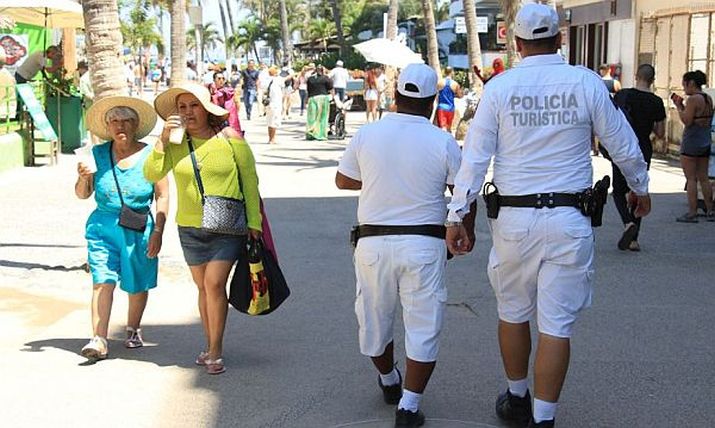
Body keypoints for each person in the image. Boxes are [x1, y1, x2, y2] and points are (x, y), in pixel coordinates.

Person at [445, 4, 651, 427]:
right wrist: (640, 188)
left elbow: (475, 157)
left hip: (514, 222)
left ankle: (517, 396)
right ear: (560, 39)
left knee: (513, 311)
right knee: (556, 323)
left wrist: (456, 214)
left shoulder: (500, 89)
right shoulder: (585, 82)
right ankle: (544, 418)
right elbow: (622, 141)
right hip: (570, 219)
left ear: (517, 43)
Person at [336, 63, 469, 428]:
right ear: (430, 102)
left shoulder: (369, 134)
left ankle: (389, 379)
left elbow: (343, 180)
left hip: (372, 243)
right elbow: (463, 192)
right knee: (424, 324)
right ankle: (409, 406)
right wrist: (460, 231)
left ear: (395, 96)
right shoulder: (441, 140)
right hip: (424, 244)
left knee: (374, 321)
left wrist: (382, 179)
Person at [144, 82, 262, 375]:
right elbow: (152, 173)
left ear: (206, 108)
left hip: (227, 225)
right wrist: (161, 140)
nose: (187, 112)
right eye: (182, 108)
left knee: (213, 284)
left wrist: (254, 224)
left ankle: (216, 350)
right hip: (189, 227)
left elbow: (250, 182)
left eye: (193, 105)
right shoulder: (175, 144)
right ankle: (209, 345)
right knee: (202, 287)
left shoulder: (231, 139)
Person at [75, 96, 169, 360]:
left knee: (137, 282)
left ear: (136, 124)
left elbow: (162, 195)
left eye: (126, 120)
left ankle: (133, 328)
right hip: (102, 226)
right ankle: (99, 339)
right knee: (101, 280)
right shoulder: (97, 154)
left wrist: (159, 231)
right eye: (114, 121)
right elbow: (83, 194)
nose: (121, 126)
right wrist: (83, 178)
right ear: (107, 126)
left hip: (138, 227)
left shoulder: (151, 154)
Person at [608, 64, 666, 250]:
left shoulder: (623, 95)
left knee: (618, 190)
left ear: (635, 76)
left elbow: (611, 120)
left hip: (622, 147)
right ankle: (634, 240)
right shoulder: (656, 102)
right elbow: (660, 133)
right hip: (643, 150)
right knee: (638, 190)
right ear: (653, 79)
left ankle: (628, 223)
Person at [673, 70, 714, 223]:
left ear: (691, 83)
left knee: (691, 178)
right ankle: (710, 210)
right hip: (704, 140)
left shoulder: (693, 100)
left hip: (691, 142)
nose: (684, 88)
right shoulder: (708, 98)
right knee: (703, 177)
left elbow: (687, 120)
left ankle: (692, 212)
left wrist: (679, 106)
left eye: (685, 84)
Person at [209, 71, 242, 135]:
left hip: (227, 119)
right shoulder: (210, 91)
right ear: (214, 80)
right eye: (219, 78)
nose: (221, 80)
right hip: (214, 120)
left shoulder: (229, 92)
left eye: (223, 78)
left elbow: (237, 103)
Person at [306, 65, 333, 140]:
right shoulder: (326, 78)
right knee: (322, 117)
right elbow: (330, 87)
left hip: (312, 98)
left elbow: (308, 90)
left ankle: (311, 132)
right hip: (322, 98)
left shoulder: (310, 79)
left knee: (312, 117)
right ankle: (320, 134)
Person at [435, 66, 463, 133]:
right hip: (450, 108)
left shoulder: (440, 82)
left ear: (444, 72)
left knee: (441, 129)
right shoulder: (455, 84)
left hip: (441, 107)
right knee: (448, 129)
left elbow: (435, 94)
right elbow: (460, 96)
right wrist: (454, 95)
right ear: (452, 72)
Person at [266, 66, 285, 144]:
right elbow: (283, 83)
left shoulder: (268, 80)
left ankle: (270, 138)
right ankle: (272, 139)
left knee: (270, 121)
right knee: (274, 121)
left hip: (269, 103)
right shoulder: (278, 80)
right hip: (275, 103)